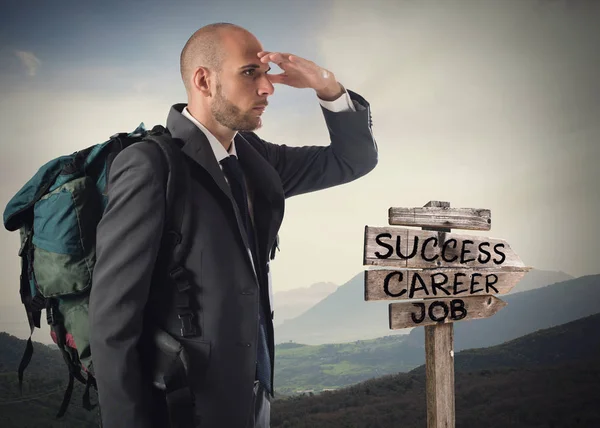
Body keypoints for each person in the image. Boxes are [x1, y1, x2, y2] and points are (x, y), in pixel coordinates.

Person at [88, 22, 378, 428]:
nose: (268, 88)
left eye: (264, 74)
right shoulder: (151, 166)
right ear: (204, 80)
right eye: (250, 73)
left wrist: (326, 87)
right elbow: (112, 322)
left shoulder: (256, 159)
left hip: (252, 394)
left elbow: (353, 160)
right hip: (185, 406)